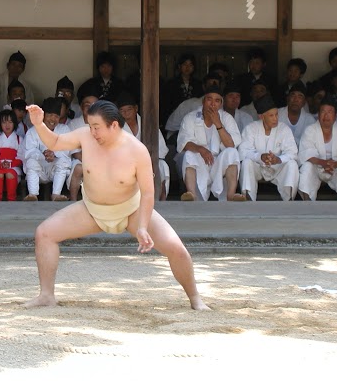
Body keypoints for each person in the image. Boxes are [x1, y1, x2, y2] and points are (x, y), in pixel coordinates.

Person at [23, 100, 209, 310]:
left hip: (131, 209)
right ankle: (46, 295)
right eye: (90, 126)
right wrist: (39, 124)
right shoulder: (85, 135)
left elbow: (148, 193)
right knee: (44, 233)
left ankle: (195, 298)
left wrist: (142, 226)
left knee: (177, 249)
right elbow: (55, 142)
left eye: (96, 127)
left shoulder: (137, 150)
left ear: (113, 125)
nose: (92, 132)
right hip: (92, 209)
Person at [176, 86, 245, 202]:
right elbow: (184, 142)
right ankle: (191, 194)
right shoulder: (190, 117)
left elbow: (231, 144)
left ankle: (231, 195)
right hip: (200, 160)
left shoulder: (226, 118)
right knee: (188, 155)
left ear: (221, 104)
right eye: (209, 99)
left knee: (232, 153)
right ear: (203, 101)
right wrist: (201, 149)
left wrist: (218, 124)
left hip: (218, 163)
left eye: (217, 100)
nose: (213, 104)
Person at [239, 94, 299, 201]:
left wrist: (279, 159)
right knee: (246, 162)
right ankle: (248, 198)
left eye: (276, 114)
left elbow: (293, 152)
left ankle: (289, 199)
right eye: (271, 116)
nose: (275, 118)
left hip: (277, 168)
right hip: (258, 167)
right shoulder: (251, 128)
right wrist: (260, 156)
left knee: (292, 164)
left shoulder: (284, 129)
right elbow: (242, 151)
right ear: (261, 116)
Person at [117, 92, 170, 200]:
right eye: (122, 111)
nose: (125, 113)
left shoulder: (148, 123)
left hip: (149, 160)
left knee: (162, 165)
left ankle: (161, 197)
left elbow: (162, 149)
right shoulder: (116, 127)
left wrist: (148, 159)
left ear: (136, 109)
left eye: (129, 110)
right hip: (126, 162)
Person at [298, 97, 337, 201]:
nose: (326, 115)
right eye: (323, 111)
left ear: (336, 115)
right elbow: (306, 153)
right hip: (317, 166)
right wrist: (323, 163)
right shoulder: (310, 130)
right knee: (306, 166)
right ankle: (306, 202)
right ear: (318, 115)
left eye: (330, 112)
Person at [23, 97, 72, 202]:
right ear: (43, 115)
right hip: (39, 169)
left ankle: (56, 195)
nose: (53, 119)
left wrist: (54, 155)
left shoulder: (64, 129)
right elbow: (29, 152)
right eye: (50, 115)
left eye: (56, 116)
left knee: (64, 162)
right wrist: (43, 155)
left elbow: (67, 150)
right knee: (31, 162)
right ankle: (33, 195)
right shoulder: (32, 131)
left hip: (55, 169)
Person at [164, 72, 222, 140]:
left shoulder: (223, 107)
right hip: (178, 135)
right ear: (204, 86)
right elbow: (171, 128)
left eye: (216, 85)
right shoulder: (191, 104)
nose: (213, 88)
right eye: (210, 85)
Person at [0, 110, 26, 201]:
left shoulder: (19, 139)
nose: (7, 125)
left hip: (14, 166)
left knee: (10, 174)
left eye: (10, 122)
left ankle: (11, 199)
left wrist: (10, 164)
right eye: (4, 122)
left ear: (14, 123)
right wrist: (1, 164)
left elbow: (21, 157)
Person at [0, 51, 34, 116]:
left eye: (19, 66)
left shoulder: (26, 86)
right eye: (13, 64)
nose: (16, 68)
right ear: (8, 66)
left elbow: (30, 110)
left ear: (23, 69)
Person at [161, 53, 203, 125]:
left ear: (193, 67)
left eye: (190, 65)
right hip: (175, 118)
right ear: (179, 66)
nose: (187, 67)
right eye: (185, 64)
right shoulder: (171, 83)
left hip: (194, 118)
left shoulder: (197, 84)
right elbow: (166, 103)